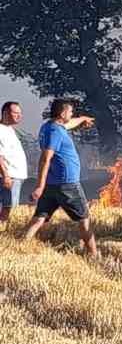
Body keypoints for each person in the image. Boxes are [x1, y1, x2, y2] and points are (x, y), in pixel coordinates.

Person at [20, 99, 97, 257]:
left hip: (52, 183)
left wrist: (83, 119)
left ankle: (20, 245)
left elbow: (69, 124)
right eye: (70, 112)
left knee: (40, 217)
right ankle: (93, 254)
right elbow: (45, 159)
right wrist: (39, 186)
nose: (72, 114)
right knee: (84, 218)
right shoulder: (55, 132)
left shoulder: (50, 126)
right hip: (67, 183)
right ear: (62, 113)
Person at [0, 101, 27, 221]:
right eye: (16, 113)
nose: (19, 116)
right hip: (9, 177)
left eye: (20, 113)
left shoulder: (9, 129)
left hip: (15, 177)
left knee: (10, 207)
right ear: (6, 113)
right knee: (7, 208)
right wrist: (5, 175)